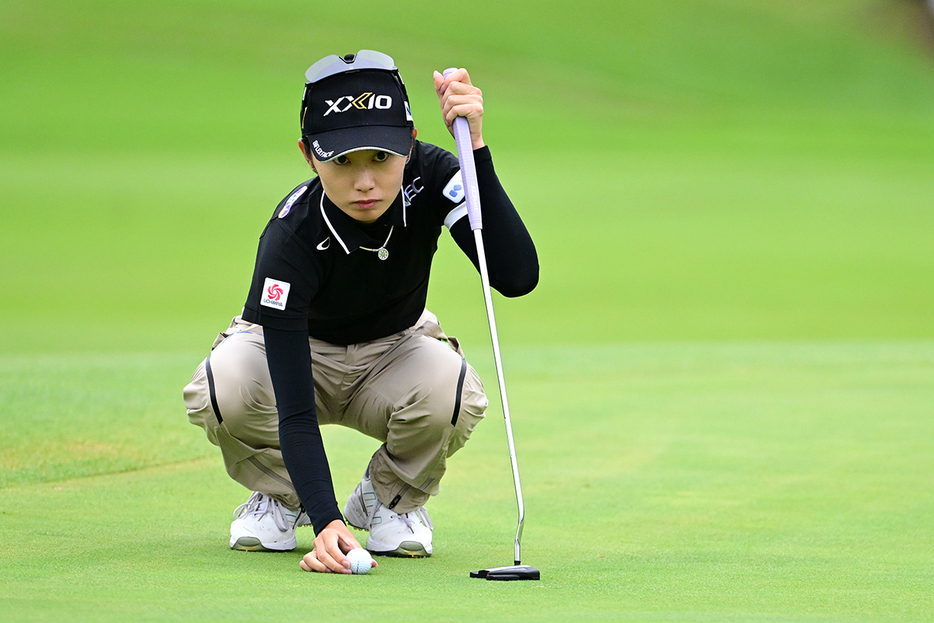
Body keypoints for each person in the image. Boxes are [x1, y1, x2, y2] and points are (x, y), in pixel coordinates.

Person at [183, 50, 538, 574]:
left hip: (395, 350)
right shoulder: (290, 236)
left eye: (380, 157)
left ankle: (386, 498)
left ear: (410, 141)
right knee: (224, 384)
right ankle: (285, 497)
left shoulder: (436, 176)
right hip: (294, 351)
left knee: (454, 390)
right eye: (341, 162)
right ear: (309, 155)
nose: (364, 182)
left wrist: (476, 150)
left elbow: (515, 276)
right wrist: (327, 522)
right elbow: (296, 412)